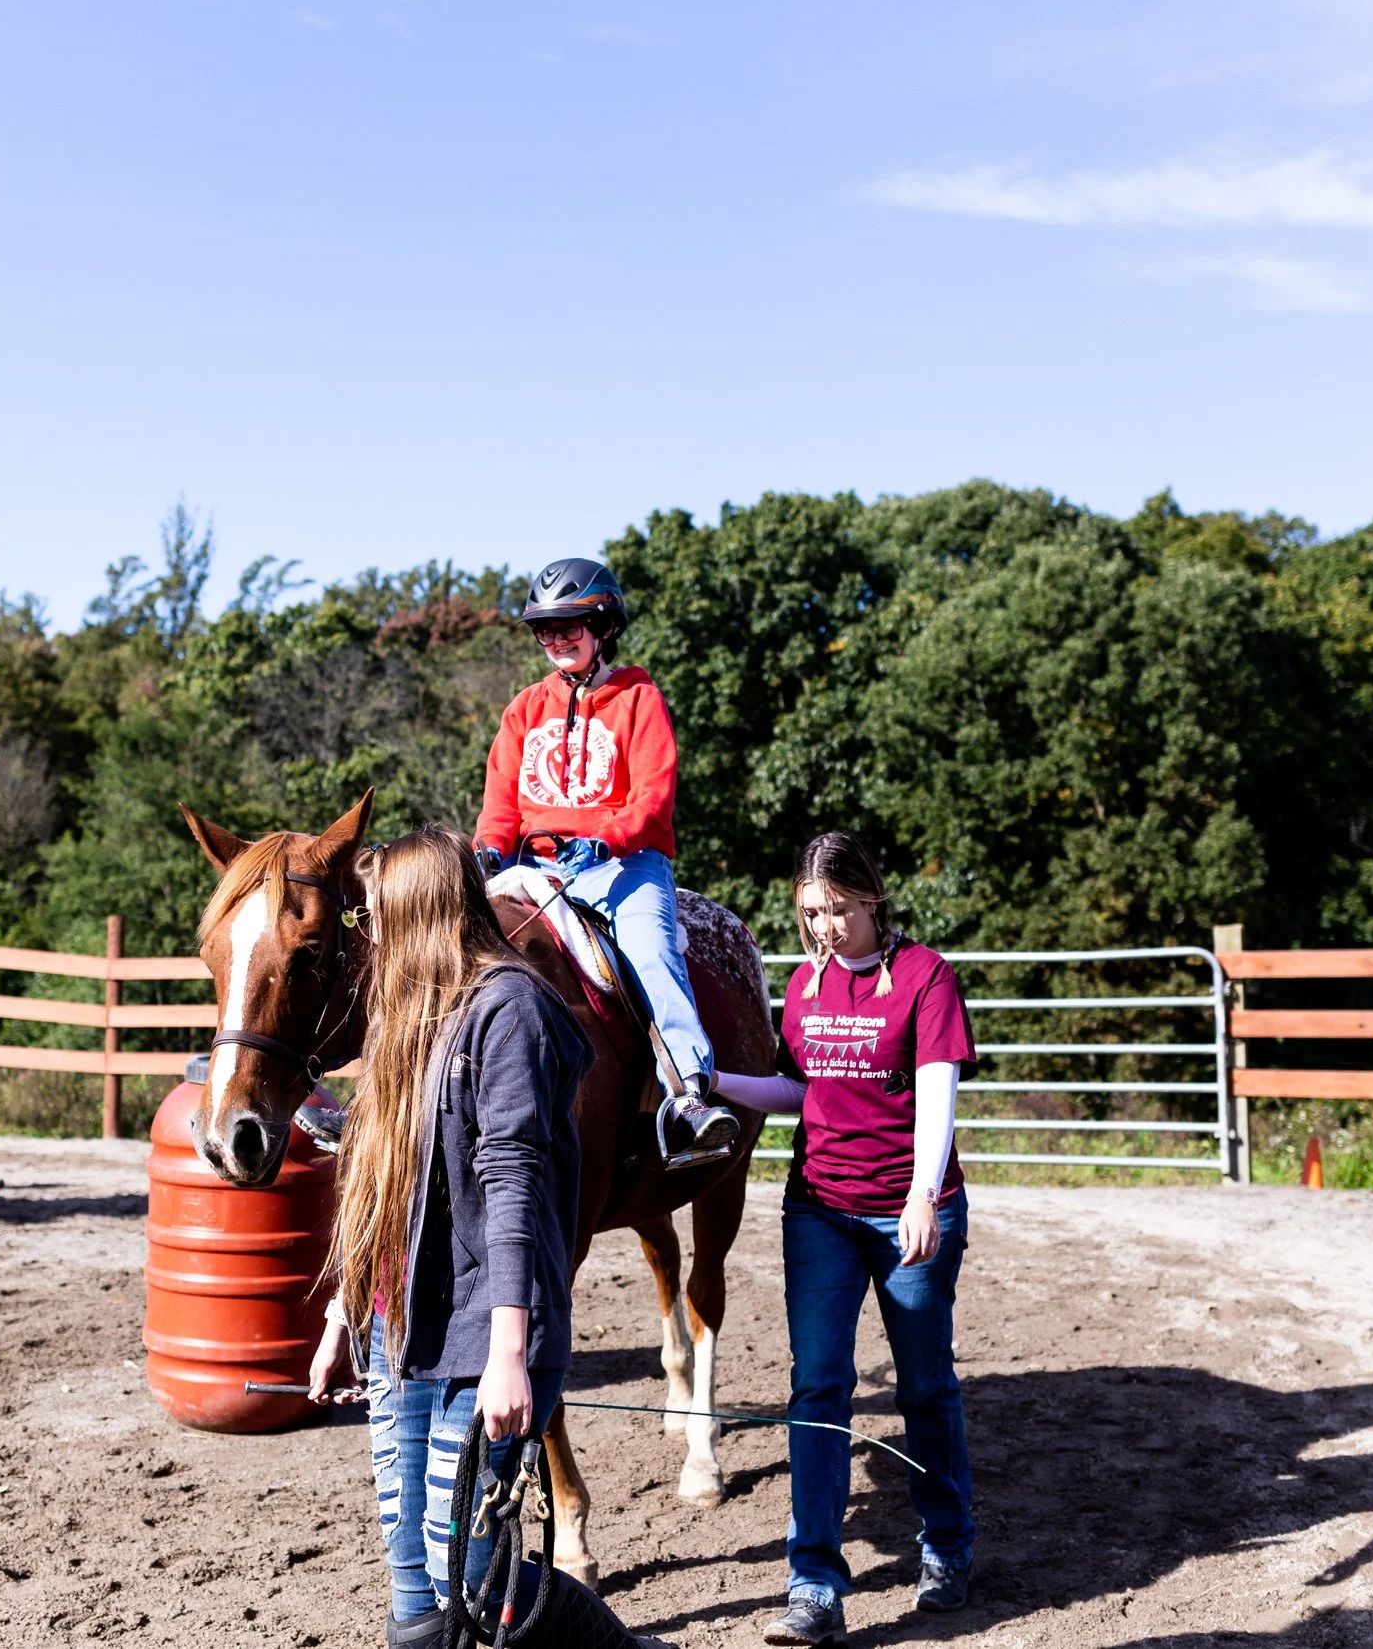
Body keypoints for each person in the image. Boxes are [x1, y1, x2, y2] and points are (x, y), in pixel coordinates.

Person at [305, 827, 661, 1649]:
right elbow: (379, 1176)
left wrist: (511, 1351)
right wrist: (341, 1320)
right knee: (413, 1585)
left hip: (480, 1333)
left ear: (421, 909)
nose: (367, 933)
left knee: (466, 1570)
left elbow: (516, 1192)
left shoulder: (511, 1011)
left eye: (375, 915)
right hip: (399, 1328)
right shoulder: (409, 1012)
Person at [713, 832, 977, 1645]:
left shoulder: (927, 977)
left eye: (837, 909)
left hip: (910, 1212)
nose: (825, 926)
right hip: (819, 1210)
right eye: (810, 912)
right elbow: (798, 1088)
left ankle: (946, 1546)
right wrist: (714, 1081)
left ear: (871, 897)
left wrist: (923, 1194)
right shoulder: (804, 984)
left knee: (924, 1386)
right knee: (817, 1389)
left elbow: (938, 1092)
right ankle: (813, 1582)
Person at [472, 557, 739, 1168]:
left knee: (649, 949)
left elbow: (653, 795)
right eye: (546, 630)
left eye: (571, 626)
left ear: (603, 626)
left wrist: (609, 839)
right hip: (534, 871)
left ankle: (688, 1096)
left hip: (622, 866)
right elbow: (501, 804)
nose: (558, 640)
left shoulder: (639, 698)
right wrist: (490, 847)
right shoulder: (523, 710)